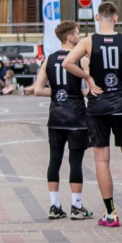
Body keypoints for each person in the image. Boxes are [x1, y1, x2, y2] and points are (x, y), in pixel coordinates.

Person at [63, 1, 122, 227]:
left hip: (98, 105)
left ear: (97, 17)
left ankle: (111, 213)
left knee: (102, 160)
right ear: (116, 18)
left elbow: (67, 62)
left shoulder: (88, 41)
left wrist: (88, 78)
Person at [31, 21, 93, 221]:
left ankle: (54, 205)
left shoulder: (48, 59)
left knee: (54, 160)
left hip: (56, 116)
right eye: (77, 33)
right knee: (75, 161)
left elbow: (37, 90)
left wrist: (57, 93)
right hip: (76, 116)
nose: (79, 36)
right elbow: (90, 88)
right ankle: (76, 206)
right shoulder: (81, 59)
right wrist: (78, 92)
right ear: (70, 37)